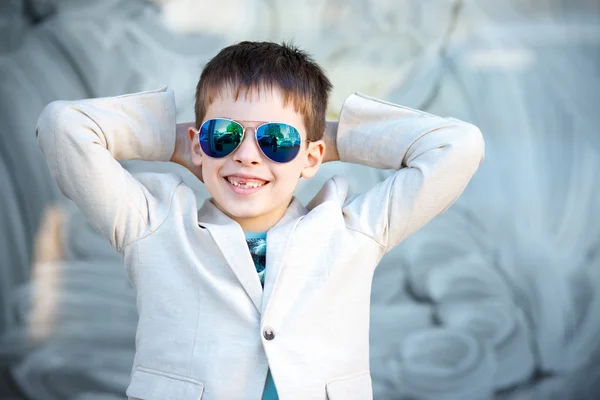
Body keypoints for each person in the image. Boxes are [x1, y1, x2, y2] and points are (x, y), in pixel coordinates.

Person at [35, 41, 484, 400]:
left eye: (276, 139)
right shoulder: (152, 225)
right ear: (198, 143)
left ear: (312, 157)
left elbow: (458, 147)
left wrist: (330, 138)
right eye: (226, 134)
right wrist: (182, 143)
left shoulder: (353, 232)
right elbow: (63, 127)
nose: (247, 155)